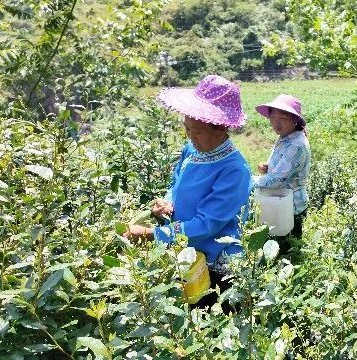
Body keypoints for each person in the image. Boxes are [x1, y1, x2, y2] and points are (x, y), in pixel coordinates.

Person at [123, 74, 252, 309]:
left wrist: (153, 233)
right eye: (187, 128)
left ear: (221, 128)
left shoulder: (235, 171)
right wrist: (168, 202)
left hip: (216, 264)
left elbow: (206, 225)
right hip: (187, 251)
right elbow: (177, 183)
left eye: (198, 131)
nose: (191, 136)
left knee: (212, 321)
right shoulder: (191, 150)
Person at [253, 94, 310, 254]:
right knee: (277, 247)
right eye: (272, 117)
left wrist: (249, 181)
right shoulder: (285, 137)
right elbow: (283, 168)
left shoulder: (297, 145)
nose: (276, 123)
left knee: (288, 252)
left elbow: (278, 179)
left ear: (294, 120)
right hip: (281, 202)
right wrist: (268, 166)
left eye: (282, 118)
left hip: (292, 206)